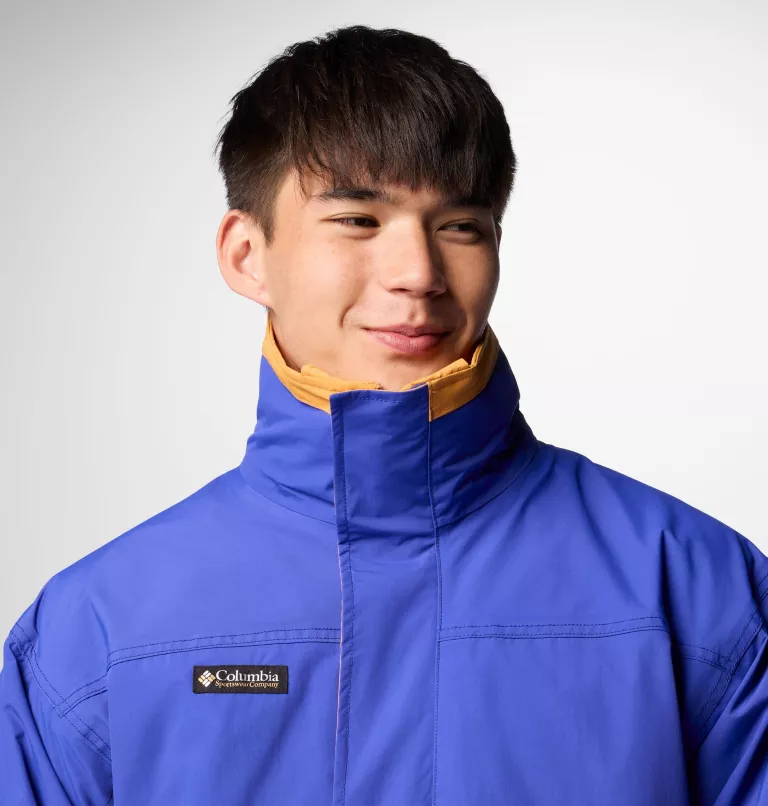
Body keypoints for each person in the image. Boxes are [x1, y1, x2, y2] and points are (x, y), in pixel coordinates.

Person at [1, 23, 766, 806]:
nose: (418, 273)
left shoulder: (695, 589)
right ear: (246, 255)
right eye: (358, 220)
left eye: (459, 226)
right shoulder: (98, 629)